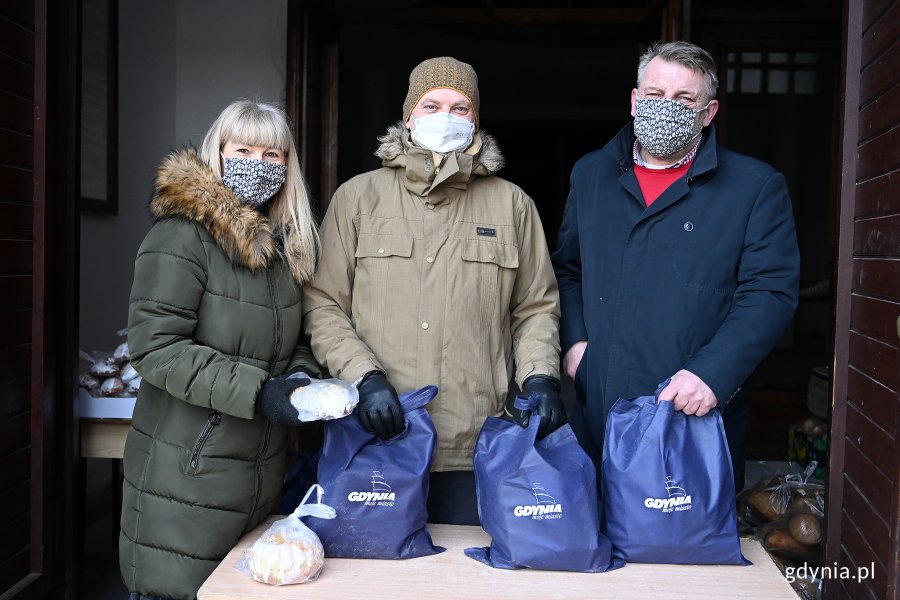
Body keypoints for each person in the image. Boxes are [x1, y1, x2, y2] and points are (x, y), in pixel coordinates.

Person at [302, 57, 563, 525]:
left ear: (476, 121)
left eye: (461, 107)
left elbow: (535, 309)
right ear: (409, 117)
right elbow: (323, 304)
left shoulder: (512, 204)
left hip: (479, 440)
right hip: (378, 431)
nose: (446, 116)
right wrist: (364, 378)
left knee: (469, 580)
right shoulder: (358, 198)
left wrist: (540, 376)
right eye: (432, 104)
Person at [552, 41, 800, 491]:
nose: (666, 108)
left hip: (692, 413)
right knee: (590, 537)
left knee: (681, 553)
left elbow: (770, 293)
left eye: (684, 99)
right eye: (653, 95)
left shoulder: (755, 186)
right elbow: (568, 269)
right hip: (598, 405)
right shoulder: (591, 174)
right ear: (633, 100)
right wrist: (575, 346)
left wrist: (712, 373)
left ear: (708, 113)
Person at [121, 99, 322, 600]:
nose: (260, 163)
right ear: (219, 153)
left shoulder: (282, 247)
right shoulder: (180, 236)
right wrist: (262, 392)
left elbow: (294, 340)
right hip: (186, 477)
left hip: (257, 474)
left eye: (274, 154)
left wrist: (298, 381)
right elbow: (156, 347)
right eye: (245, 149)